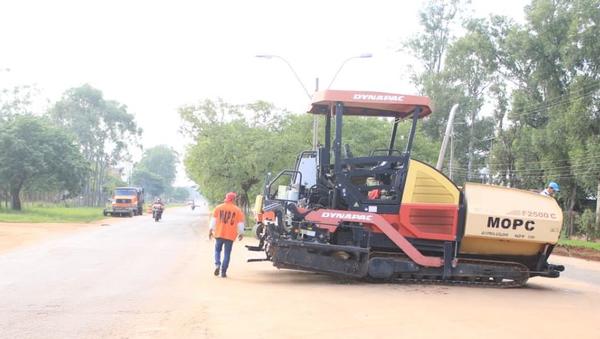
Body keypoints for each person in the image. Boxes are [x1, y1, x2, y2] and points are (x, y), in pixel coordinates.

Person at [208, 192, 245, 278]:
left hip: (219, 234)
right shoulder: (237, 210)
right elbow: (240, 224)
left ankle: (217, 264)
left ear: (226, 198)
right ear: (234, 199)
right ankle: (223, 272)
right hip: (230, 235)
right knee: (227, 253)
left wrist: (210, 231)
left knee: (217, 251)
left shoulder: (218, 208)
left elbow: (213, 221)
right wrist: (241, 233)